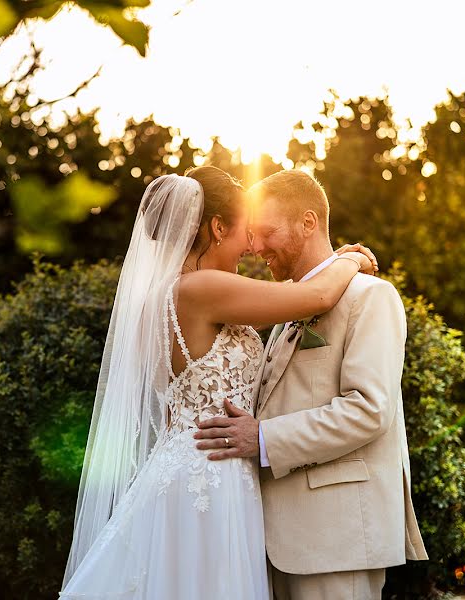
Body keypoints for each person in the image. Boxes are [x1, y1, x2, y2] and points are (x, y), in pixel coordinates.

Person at [60, 166, 375, 599]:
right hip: (211, 474)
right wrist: (351, 259)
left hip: (186, 463)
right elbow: (315, 297)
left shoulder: (162, 299)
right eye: (246, 231)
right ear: (217, 226)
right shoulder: (201, 288)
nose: (252, 246)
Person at [194, 169, 429, 600]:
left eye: (267, 232)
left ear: (307, 223)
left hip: (335, 541)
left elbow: (369, 410)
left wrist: (261, 436)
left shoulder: (370, 297)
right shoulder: (286, 306)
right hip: (270, 540)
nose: (256, 247)